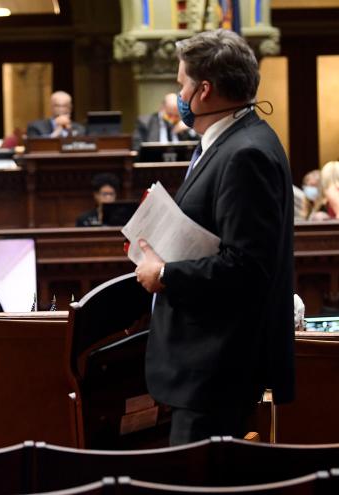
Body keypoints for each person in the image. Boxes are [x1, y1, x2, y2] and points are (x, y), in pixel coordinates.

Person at [134, 29, 294, 445]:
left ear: (204, 90)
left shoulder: (246, 153)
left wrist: (165, 273)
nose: (179, 92)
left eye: (182, 82)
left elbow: (247, 267)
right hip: (205, 366)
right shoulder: (225, 142)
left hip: (216, 366)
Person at [133, 93, 199, 150]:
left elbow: (198, 148)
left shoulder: (184, 123)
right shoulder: (145, 122)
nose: (173, 119)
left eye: (176, 115)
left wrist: (190, 130)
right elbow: (137, 150)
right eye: (169, 115)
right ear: (162, 108)